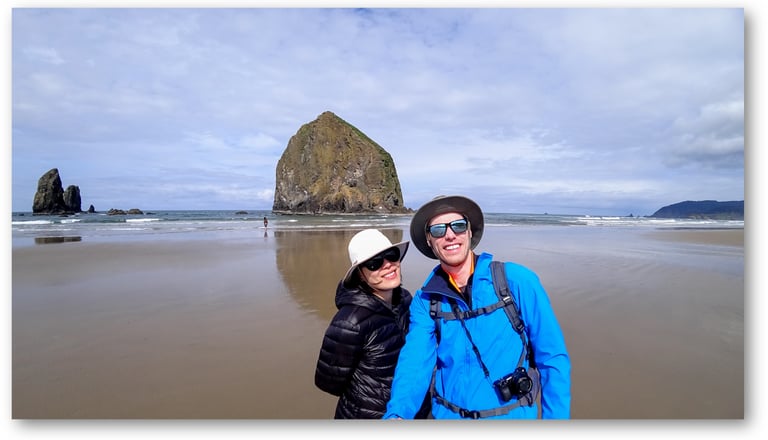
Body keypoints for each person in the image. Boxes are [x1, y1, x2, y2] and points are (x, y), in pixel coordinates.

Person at [383, 195, 571, 419]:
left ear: (470, 232)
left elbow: (552, 358)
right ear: (429, 241)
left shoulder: (517, 281)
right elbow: (414, 363)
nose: (450, 235)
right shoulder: (425, 300)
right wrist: (397, 415)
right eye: (438, 230)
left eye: (458, 226)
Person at [314, 229, 430, 419]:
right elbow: (328, 382)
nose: (388, 265)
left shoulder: (406, 301)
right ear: (360, 274)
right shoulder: (350, 322)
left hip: (412, 410)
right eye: (375, 263)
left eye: (391, 255)